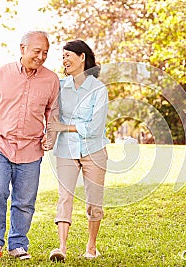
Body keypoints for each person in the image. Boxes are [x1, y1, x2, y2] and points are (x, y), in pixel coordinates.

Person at [0, 31, 60, 260]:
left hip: (31, 149)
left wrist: (49, 133)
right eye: (37, 51)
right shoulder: (1, 73)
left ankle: (18, 245)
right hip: (0, 144)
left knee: (25, 201)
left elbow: (52, 112)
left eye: (45, 53)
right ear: (22, 49)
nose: (41, 56)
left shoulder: (51, 80)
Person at [47, 40, 109, 262]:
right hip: (65, 149)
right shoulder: (60, 86)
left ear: (82, 57)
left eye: (68, 55)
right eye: (62, 57)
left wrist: (64, 127)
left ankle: (91, 246)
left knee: (94, 201)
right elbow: (52, 116)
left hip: (94, 150)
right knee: (64, 197)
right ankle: (61, 248)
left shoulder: (98, 89)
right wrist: (51, 137)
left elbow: (95, 127)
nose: (64, 61)